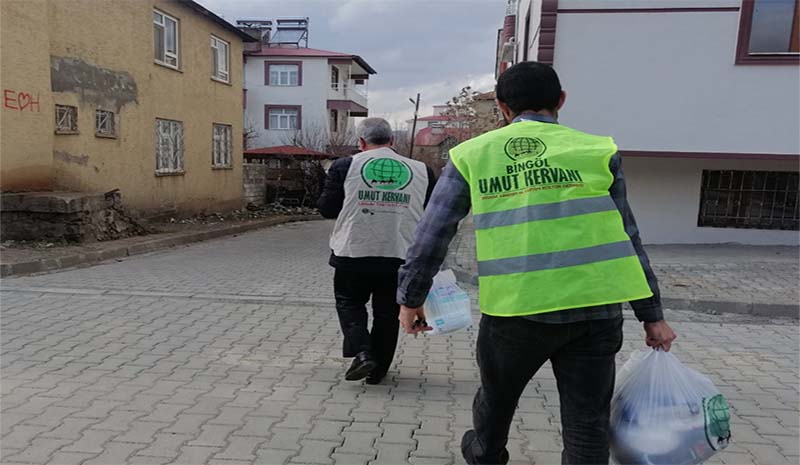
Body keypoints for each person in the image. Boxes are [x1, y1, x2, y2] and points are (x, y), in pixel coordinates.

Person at [396, 62, 677, 465]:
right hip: (595, 313)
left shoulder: (472, 155)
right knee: (587, 425)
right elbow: (628, 237)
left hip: (515, 312)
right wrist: (652, 316)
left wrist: (411, 298)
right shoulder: (597, 151)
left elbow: (433, 232)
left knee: (495, 404)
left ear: (501, 107)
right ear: (561, 101)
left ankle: (485, 454)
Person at [318, 117, 436, 384]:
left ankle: (362, 353)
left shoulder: (345, 166)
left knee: (350, 303)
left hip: (353, 252)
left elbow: (327, 208)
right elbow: (430, 213)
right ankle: (379, 370)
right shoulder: (422, 170)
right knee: (386, 313)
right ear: (392, 141)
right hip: (399, 253)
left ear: (361, 142)